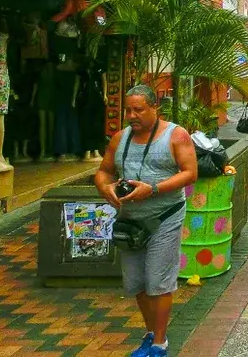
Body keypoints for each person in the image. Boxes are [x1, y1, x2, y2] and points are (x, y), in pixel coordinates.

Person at [95, 85, 198, 357]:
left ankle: (159, 343)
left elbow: (190, 173)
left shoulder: (176, 135)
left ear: (155, 108)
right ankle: (150, 333)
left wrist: (152, 189)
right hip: (130, 221)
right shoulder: (120, 139)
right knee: (137, 283)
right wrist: (105, 189)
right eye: (128, 110)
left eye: (138, 110)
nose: (132, 115)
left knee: (158, 281)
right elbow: (103, 171)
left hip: (165, 217)